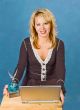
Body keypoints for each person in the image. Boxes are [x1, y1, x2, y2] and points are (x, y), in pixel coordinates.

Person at [3, 8, 66, 105]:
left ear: (51, 25)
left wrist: (60, 88)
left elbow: (60, 69)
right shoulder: (26, 43)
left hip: (52, 88)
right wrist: (13, 84)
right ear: (34, 26)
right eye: (38, 24)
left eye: (46, 23)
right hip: (30, 87)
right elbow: (20, 67)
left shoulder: (59, 44)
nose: (42, 28)